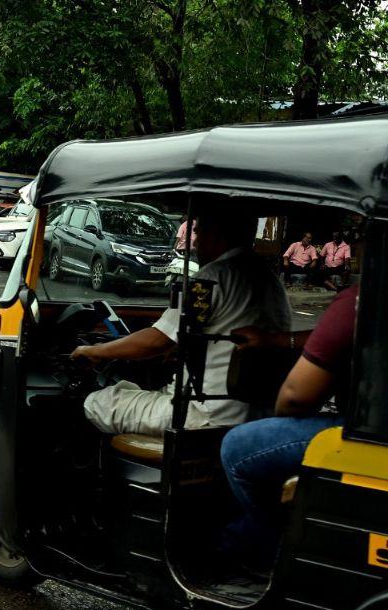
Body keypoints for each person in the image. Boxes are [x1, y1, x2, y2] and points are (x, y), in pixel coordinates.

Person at [71, 209, 291, 436]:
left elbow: (156, 341)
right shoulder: (271, 281)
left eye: (197, 233)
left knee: (100, 400)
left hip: (205, 414)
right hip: (257, 415)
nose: (193, 243)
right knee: (133, 391)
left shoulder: (212, 277)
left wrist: (96, 351)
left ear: (215, 235)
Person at [219, 283, 360, 569]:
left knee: (240, 446)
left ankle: (277, 554)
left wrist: (281, 413)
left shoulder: (362, 298)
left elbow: (295, 399)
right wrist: (278, 341)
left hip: (369, 435)